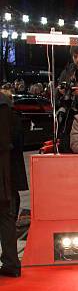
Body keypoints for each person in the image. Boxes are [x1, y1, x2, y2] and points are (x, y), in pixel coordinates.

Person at [0, 92, 20, 277]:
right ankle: (11, 263)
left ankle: (11, 262)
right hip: (6, 171)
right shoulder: (8, 105)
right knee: (6, 217)